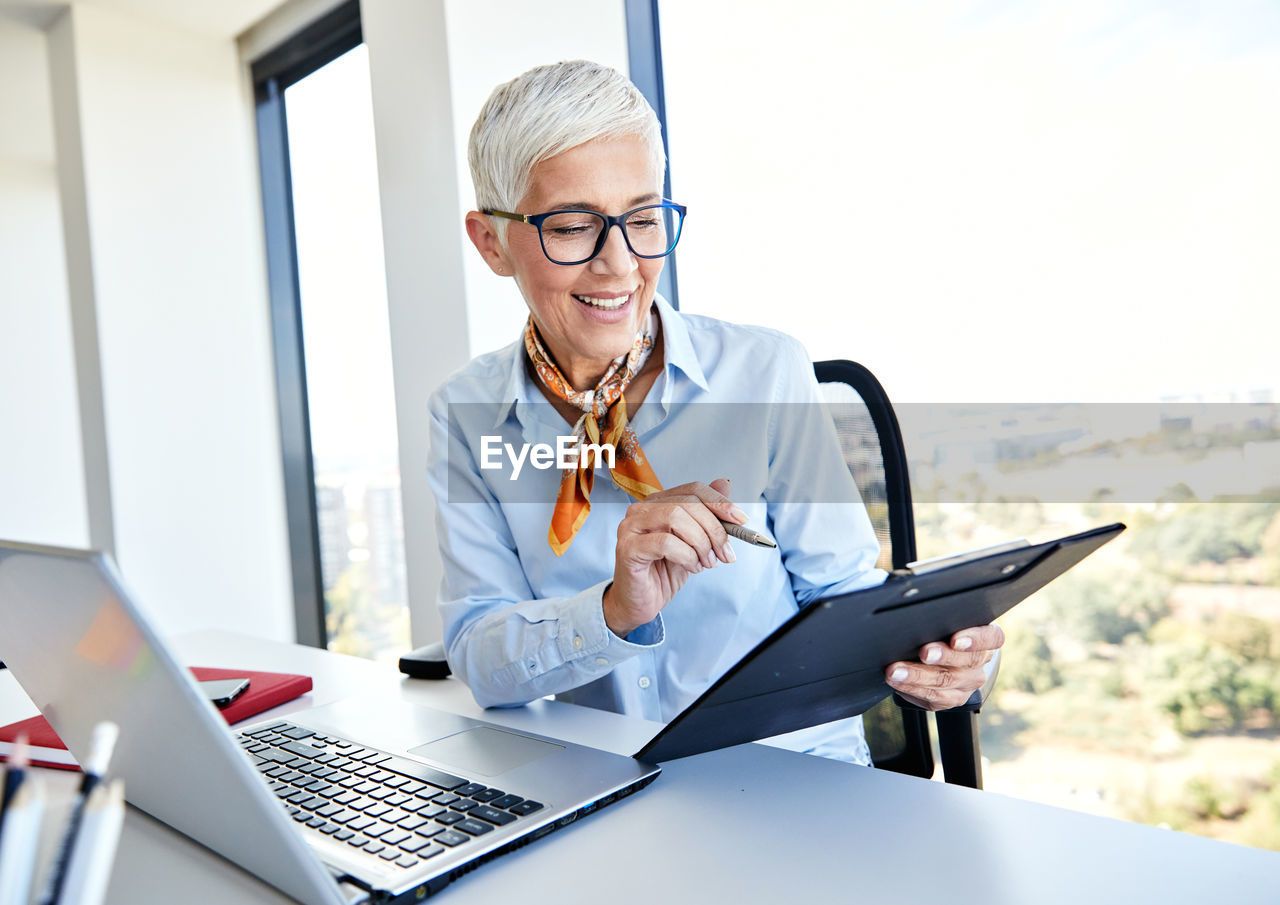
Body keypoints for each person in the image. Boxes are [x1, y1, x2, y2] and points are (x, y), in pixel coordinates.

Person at [426, 60, 1003, 765]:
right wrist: (613, 611)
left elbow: (848, 600)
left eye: (641, 219)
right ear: (491, 242)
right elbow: (480, 657)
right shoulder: (467, 414)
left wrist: (946, 663)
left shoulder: (764, 372)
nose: (620, 265)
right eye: (573, 227)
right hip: (605, 792)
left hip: (795, 785)